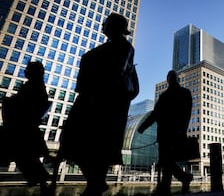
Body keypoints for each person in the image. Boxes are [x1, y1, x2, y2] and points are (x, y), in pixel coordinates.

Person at [58, 13, 137, 196]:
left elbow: (116, 71)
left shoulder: (124, 47)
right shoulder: (108, 47)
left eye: (107, 23)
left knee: (96, 144)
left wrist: (95, 90)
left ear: (116, 27)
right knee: (78, 143)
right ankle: (96, 182)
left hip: (104, 103)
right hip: (92, 99)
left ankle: (95, 184)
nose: (103, 26)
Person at [138, 70, 193, 196]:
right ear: (168, 79)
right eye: (170, 76)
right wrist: (143, 126)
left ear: (176, 79)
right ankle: (171, 185)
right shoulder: (164, 96)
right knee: (165, 161)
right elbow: (155, 114)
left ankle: (175, 182)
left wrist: (182, 130)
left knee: (166, 160)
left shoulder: (184, 93)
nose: (171, 78)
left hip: (174, 133)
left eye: (173, 76)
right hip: (164, 134)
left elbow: (187, 114)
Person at [2, 61, 50, 196]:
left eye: (28, 69)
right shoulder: (36, 86)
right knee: (25, 157)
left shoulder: (34, 86)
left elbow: (29, 106)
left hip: (22, 128)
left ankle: (42, 183)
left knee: (23, 155)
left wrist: (12, 102)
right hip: (24, 129)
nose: (25, 71)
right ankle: (42, 183)